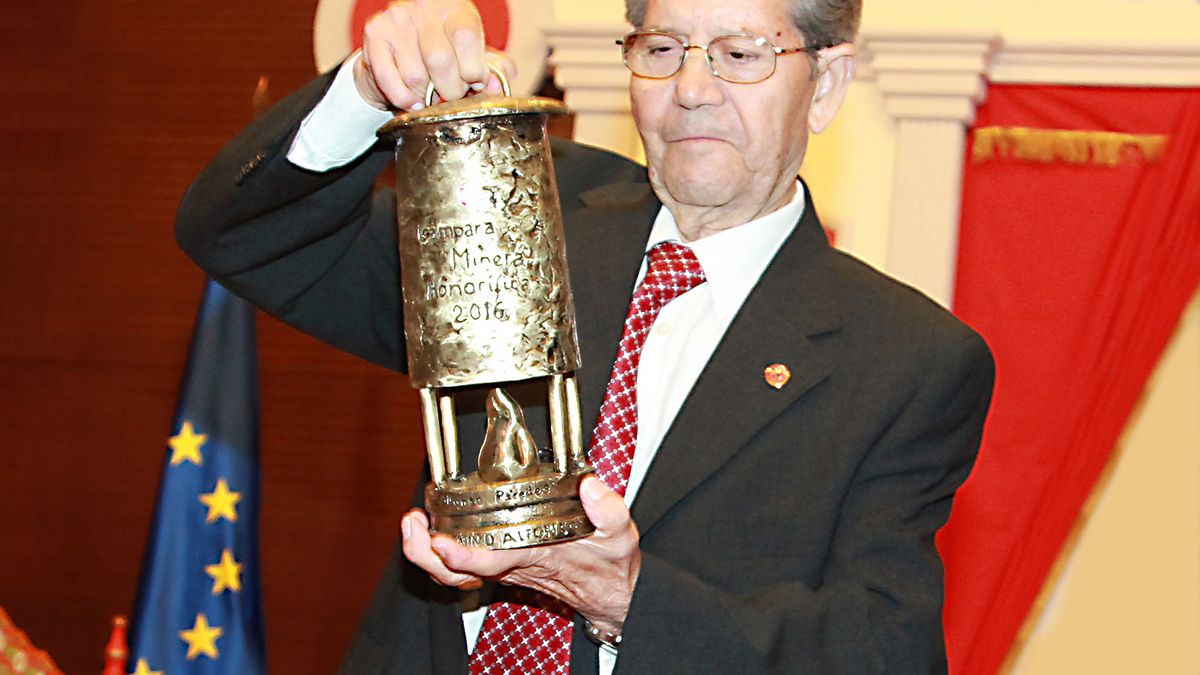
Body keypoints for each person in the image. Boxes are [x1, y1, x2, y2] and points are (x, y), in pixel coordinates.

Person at [175, 0, 995, 672]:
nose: (691, 89)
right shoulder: (520, 205)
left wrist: (627, 600)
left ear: (825, 84)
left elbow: (878, 654)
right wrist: (366, 90)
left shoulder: (906, 362)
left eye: (740, 55)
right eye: (661, 48)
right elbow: (244, 236)